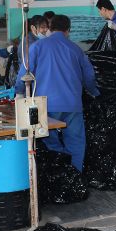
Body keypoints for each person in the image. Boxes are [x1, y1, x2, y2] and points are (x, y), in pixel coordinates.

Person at [15, 15, 98, 171]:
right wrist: (94, 92)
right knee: (76, 142)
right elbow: (89, 76)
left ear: (49, 29)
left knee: (49, 142)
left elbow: (24, 74)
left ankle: (58, 173)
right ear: (68, 31)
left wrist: (18, 92)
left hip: (46, 106)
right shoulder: (76, 49)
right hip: (72, 104)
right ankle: (75, 175)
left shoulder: (37, 47)